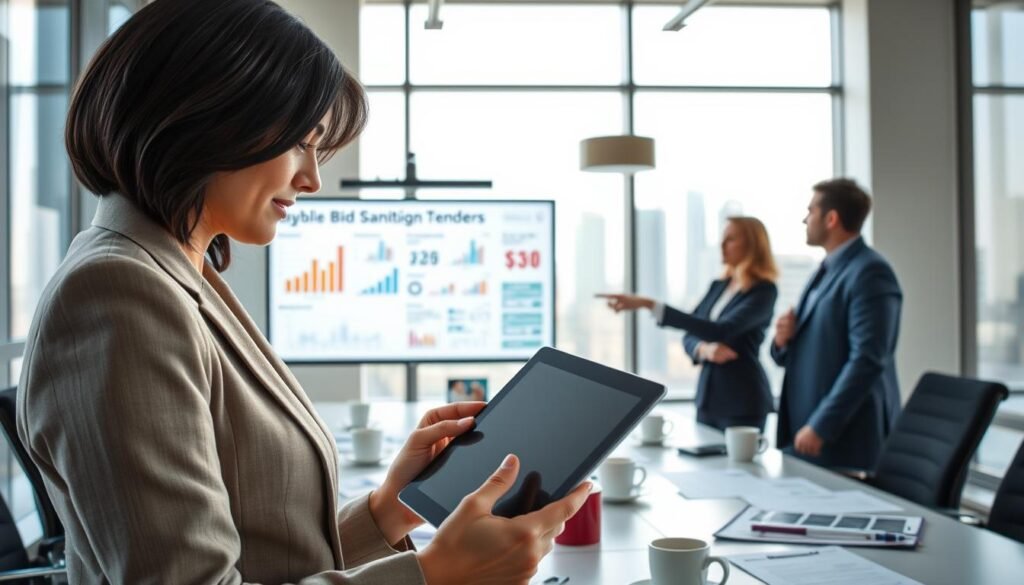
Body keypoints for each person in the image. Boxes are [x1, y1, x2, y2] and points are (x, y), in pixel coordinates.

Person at [15, 1, 589, 583]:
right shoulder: (118, 293)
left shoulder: (174, 275)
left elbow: (262, 553)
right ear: (209, 116)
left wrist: (391, 507)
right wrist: (435, 574)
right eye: (299, 142)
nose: (311, 178)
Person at [599, 217, 779, 432]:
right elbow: (691, 333)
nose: (722, 246)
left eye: (730, 239)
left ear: (752, 245)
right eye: (721, 239)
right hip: (708, 397)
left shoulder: (764, 291)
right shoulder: (718, 286)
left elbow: (722, 330)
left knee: (738, 465)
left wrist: (649, 304)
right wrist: (703, 349)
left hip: (743, 400)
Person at [771, 178, 903, 471]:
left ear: (831, 218)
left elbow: (868, 359)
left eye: (811, 211)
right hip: (807, 428)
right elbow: (813, 345)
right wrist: (782, 341)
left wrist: (822, 425)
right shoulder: (825, 269)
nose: (805, 218)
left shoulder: (870, 272)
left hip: (843, 434)